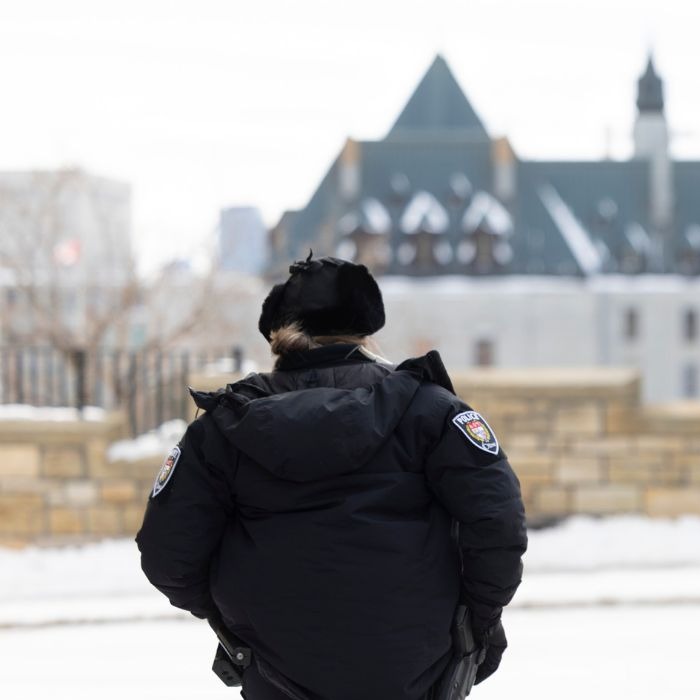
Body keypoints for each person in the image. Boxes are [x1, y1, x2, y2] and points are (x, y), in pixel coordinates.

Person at [137, 256, 528, 699]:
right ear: (366, 331)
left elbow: (168, 556)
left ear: (278, 335)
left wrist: (237, 628)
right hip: (418, 670)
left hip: (276, 673)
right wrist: (475, 623)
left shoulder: (222, 431)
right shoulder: (433, 413)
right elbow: (498, 527)